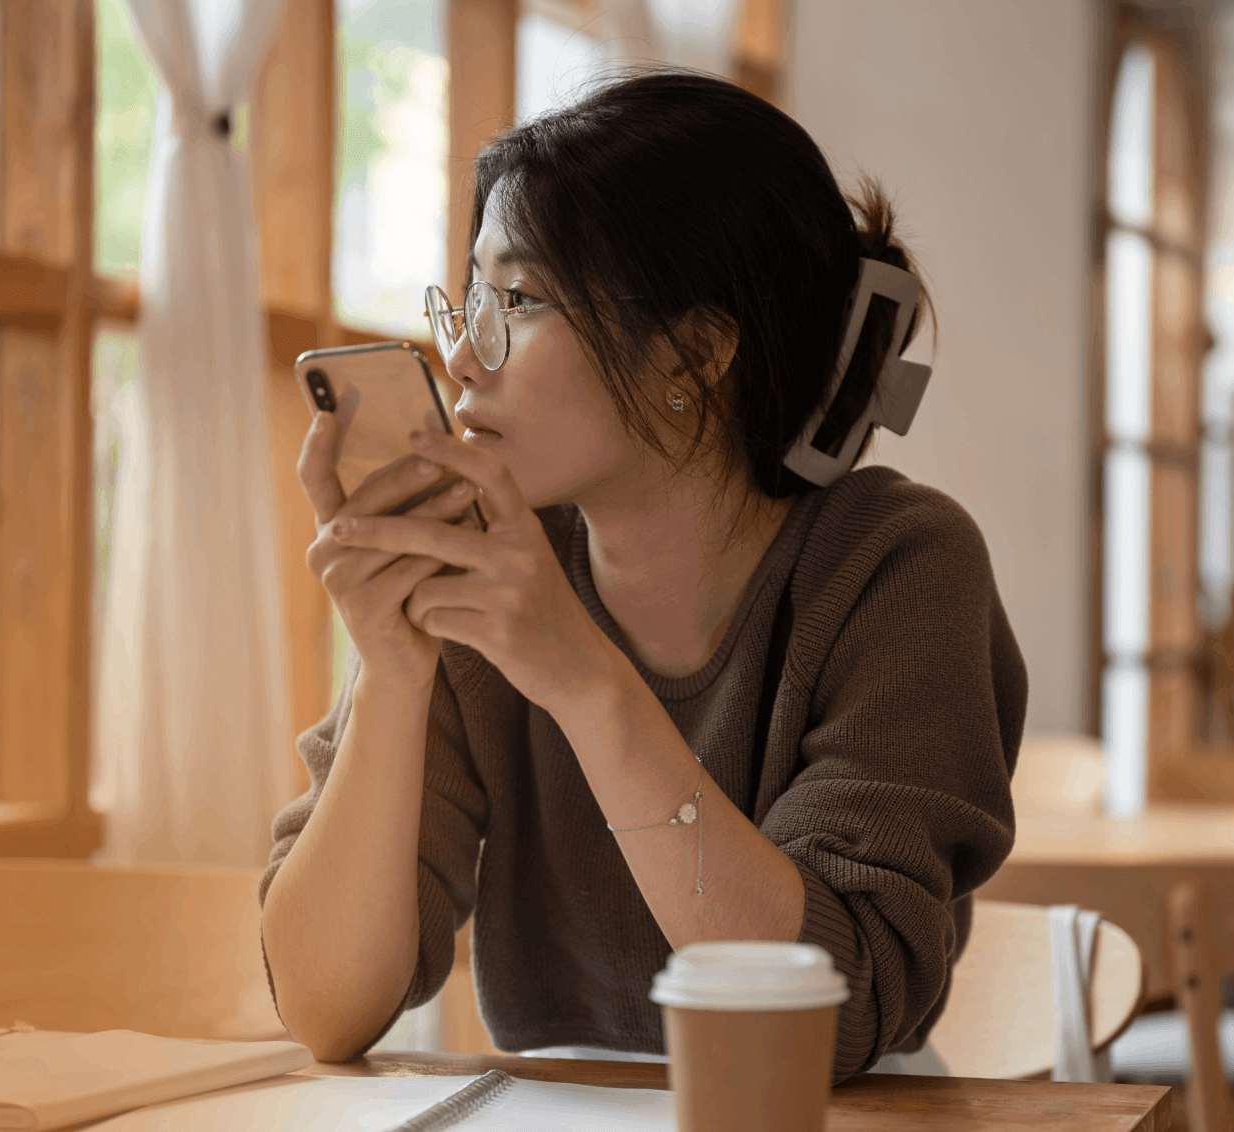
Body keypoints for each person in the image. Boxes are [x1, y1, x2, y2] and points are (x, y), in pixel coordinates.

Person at [258, 70, 1024, 1084]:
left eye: (519, 300)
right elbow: (324, 1008)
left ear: (697, 351)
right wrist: (395, 671)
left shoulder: (897, 566)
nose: (462, 361)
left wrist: (582, 678)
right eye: (472, 298)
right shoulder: (492, 563)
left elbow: (822, 1016)